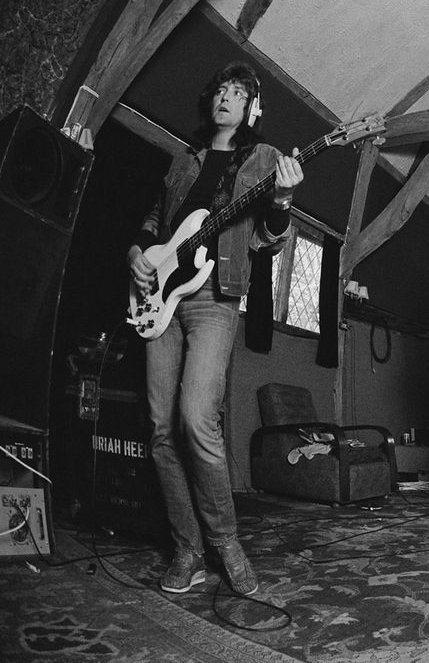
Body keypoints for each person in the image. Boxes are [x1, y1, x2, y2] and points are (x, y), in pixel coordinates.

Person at [126, 61, 303, 594]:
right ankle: (187, 549)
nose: (225, 97)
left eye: (237, 92)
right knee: (160, 429)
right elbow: (156, 221)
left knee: (196, 417)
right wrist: (137, 255)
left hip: (214, 297)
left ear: (252, 107)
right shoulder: (185, 158)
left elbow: (266, 240)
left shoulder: (266, 159)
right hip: (160, 298)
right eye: (220, 89)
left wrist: (285, 202)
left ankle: (226, 543)